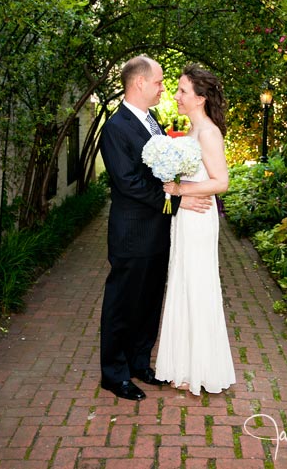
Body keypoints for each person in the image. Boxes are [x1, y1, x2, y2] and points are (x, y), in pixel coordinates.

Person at [98, 55, 212, 401]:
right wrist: (178, 201)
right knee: (122, 304)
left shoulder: (153, 120)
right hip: (132, 233)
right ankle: (114, 374)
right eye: (160, 82)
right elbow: (129, 183)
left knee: (148, 302)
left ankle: (138, 362)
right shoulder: (116, 128)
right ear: (139, 84)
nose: (164, 88)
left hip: (158, 231)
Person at [155, 64, 236, 395]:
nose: (176, 96)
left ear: (200, 98)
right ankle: (182, 364)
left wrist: (178, 192)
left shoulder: (208, 133)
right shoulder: (188, 132)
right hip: (185, 216)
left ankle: (202, 368)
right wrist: (170, 185)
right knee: (182, 280)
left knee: (198, 284)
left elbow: (221, 182)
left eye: (182, 91)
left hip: (200, 217)